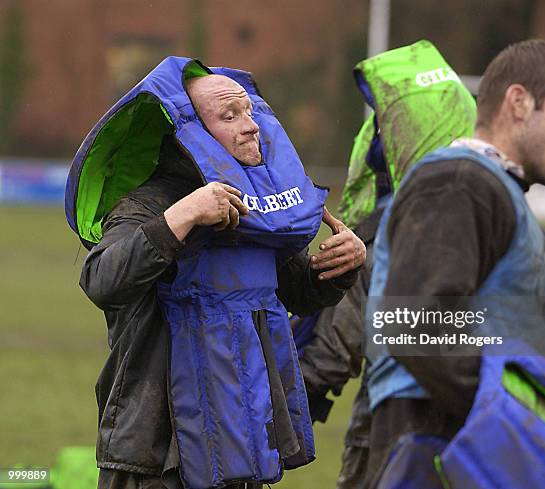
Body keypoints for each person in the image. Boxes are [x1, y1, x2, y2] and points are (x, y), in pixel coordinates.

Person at [66, 58, 365, 489]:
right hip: (155, 457)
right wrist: (181, 217)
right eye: (230, 116)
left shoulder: (257, 202)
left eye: (250, 112)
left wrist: (337, 268)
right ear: (190, 134)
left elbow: (297, 293)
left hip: (239, 441)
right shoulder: (149, 203)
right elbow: (101, 280)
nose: (251, 126)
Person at [364, 39, 545, 488]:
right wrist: (515, 421)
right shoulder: (458, 183)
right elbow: (414, 325)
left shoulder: (493, 188)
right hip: (436, 443)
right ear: (519, 102)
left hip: (469, 441)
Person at [297, 40, 477, 488]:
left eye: (384, 126)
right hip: (483, 431)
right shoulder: (497, 211)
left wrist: (261, 404)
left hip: (391, 434)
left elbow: (334, 352)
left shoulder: (390, 236)